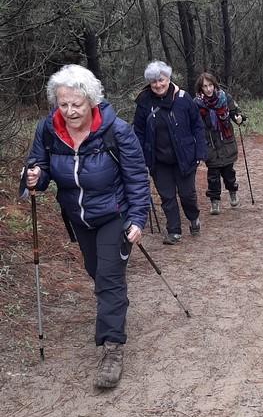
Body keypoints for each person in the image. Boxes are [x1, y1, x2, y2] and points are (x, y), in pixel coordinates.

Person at [20, 64, 150, 389]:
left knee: (107, 278)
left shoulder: (116, 131)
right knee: (97, 271)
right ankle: (115, 303)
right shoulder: (48, 130)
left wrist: (137, 218)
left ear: (91, 100)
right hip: (79, 218)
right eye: (63, 104)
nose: (70, 111)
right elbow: (39, 167)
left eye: (76, 104)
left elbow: (136, 178)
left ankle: (112, 348)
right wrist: (32, 177)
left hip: (113, 214)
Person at [133, 61, 207, 244]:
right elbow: (138, 132)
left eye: (161, 80)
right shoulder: (144, 101)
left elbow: (197, 125)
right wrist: (140, 157)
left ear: (168, 79)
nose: (158, 85)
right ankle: (174, 230)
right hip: (158, 159)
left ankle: (193, 217)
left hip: (185, 156)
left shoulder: (183, 98)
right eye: (154, 82)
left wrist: (200, 152)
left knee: (187, 194)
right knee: (167, 196)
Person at [194, 72, 245, 215]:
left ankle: (232, 191)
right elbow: (193, 123)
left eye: (210, 85)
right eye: (205, 86)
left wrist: (239, 118)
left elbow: (236, 112)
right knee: (213, 176)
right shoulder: (196, 103)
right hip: (209, 144)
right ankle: (214, 202)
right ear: (201, 88)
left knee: (229, 173)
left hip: (226, 142)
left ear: (214, 85)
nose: (208, 89)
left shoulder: (224, 98)